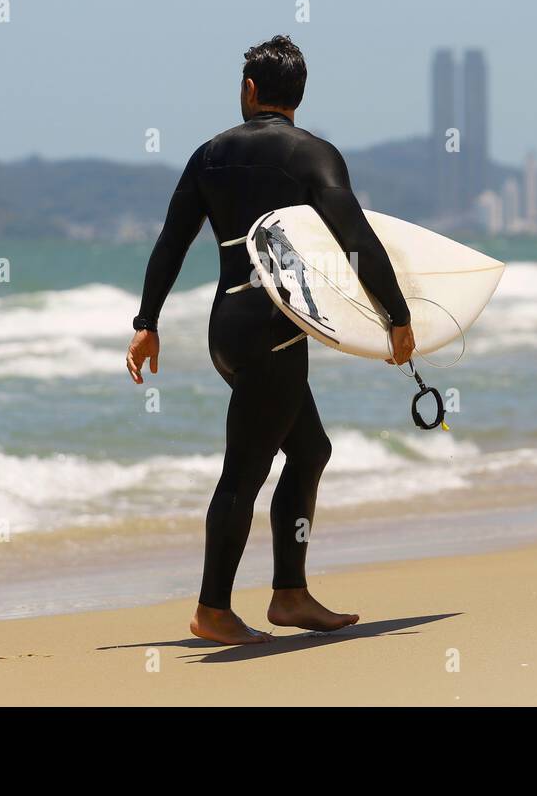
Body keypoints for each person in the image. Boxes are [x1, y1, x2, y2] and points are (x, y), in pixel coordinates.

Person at [125, 36, 416, 645]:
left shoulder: (209, 155)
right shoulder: (314, 156)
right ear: (297, 96)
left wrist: (147, 323)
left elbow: (171, 242)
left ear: (250, 90)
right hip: (276, 330)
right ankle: (212, 609)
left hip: (228, 326)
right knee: (245, 471)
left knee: (308, 451)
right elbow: (355, 240)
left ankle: (290, 596)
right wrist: (397, 315)